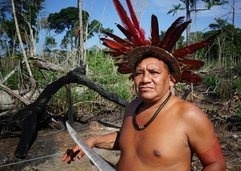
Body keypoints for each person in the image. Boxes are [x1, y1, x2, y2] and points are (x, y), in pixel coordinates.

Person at [62, 0, 226, 170]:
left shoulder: (189, 115)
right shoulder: (133, 107)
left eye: (154, 72)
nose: (145, 79)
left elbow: (216, 163)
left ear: (171, 79)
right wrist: (92, 141)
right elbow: (128, 140)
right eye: (139, 73)